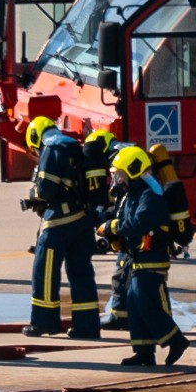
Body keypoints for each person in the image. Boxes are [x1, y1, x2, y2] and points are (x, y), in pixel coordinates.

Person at [96, 146, 189, 367]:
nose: (117, 179)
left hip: (152, 257)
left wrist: (111, 226)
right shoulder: (133, 193)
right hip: (136, 257)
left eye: (120, 174)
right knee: (134, 304)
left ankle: (176, 339)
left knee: (144, 301)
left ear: (132, 170)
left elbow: (139, 223)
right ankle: (144, 352)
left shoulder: (150, 194)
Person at [23, 117, 100, 339]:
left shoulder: (51, 147)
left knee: (44, 272)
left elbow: (46, 190)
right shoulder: (72, 144)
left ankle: (43, 322)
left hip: (59, 221)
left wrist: (33, 196)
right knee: (81, 273)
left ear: (35, 138)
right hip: (83, 220)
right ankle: (88, 327)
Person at [84, 130, 129, 331]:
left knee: (123, 271)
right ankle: (123, 315)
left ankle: (120, 317)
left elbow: (125, 199)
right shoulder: (125, 152)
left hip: (133, 228)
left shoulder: (118, 161)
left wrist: (108, 221)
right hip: (135, 223)